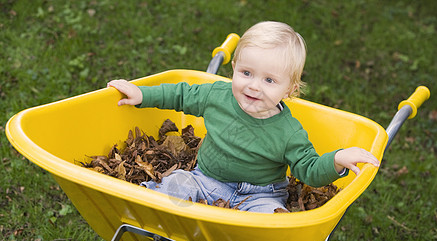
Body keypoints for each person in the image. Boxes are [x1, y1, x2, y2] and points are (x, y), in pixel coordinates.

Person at [107, 21, 380, 213]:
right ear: (234, 68)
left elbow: (308, 169)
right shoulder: (218, 96)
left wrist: (336, 160)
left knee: (271, 222)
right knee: (176, 183)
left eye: (269, 80)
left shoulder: (289, 132)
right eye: (247, 73)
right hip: (207, 180)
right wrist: (143, 95)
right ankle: (151, 226)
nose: (253, 86)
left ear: (290, 90)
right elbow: (181, 95)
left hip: (260, 195)